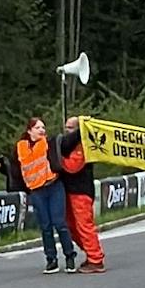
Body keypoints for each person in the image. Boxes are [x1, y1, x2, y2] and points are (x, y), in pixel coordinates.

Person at [16, 116, 75, 272]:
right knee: (45, 226)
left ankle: (70, 256)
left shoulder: (50, 144)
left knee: (59, 223)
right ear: (29, 131)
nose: (42, 130)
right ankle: (51, 260)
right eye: (38, 128)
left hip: (53, 186)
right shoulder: (21, 147)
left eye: (43, 127)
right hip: (36, 190)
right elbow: (17, 168)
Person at [55, 116, 106, 273]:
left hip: (81, 191)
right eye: (66, 128)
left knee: (84, 225)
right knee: (70, 226)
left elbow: (72, 166)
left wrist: (56, 159)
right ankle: (92, 253)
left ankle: (96, 259)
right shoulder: (67, 145)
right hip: (68, 191)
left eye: (70, 128)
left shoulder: (84, 145)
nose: (67, 131)